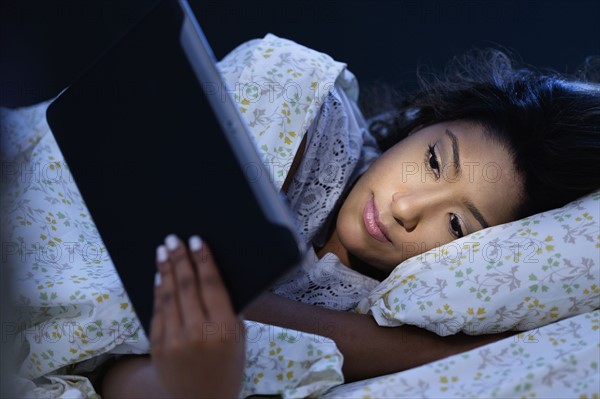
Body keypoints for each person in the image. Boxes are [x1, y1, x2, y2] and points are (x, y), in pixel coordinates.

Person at [100, 45, 600, 397]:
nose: (405, 209)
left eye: (455, 226)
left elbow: (109, 370)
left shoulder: (379, 307)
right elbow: (157, 263)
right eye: (432, 161)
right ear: (426, 120)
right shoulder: (316, 125)